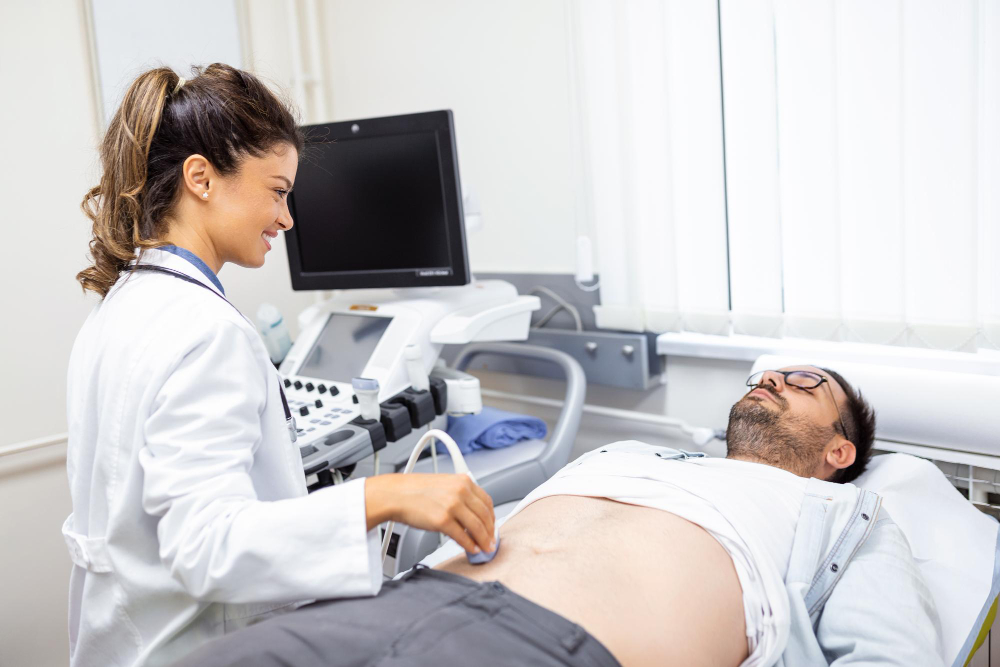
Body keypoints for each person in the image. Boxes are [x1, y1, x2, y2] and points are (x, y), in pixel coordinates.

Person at [63, 63, 495, 667]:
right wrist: (384, 495)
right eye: (277, 190)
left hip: (118, 638)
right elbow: (207, 546)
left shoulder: (120, 306)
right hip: (192, 647)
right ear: (201, 178)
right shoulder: (206, 332)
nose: (287, 218)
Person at [173, 366, 944, 667]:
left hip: (552, 648)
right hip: (398, 602)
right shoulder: (630, 453)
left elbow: (891, 652)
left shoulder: (846, 512)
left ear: (840, 449)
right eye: (764, 374)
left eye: (801, 382)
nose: (770, 377)